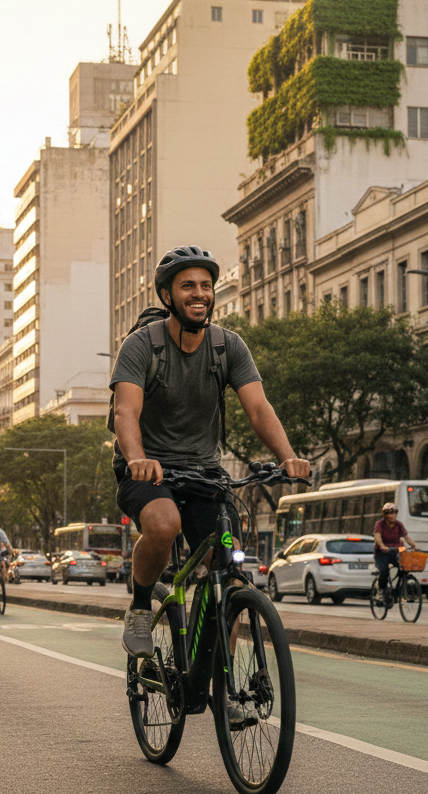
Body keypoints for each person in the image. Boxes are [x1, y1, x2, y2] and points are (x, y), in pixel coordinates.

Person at [110, 245, 311, 659]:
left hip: (204, 472)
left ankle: (220, 679)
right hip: (148, 470)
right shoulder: (141, 346)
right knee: (164, 524)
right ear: (167, 296)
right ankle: (141, 606)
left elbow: (258, 408)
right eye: (188, 286)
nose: (199, 293)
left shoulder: (228, 346)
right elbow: (125, 412)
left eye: (206, 285)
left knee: (230, 573)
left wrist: (287, 456)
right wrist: (137, 459)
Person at [373, 503, 419, 593]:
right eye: (388, 513)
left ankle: (400, 589)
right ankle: (381, 590)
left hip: (396, 551)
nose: (391, 516)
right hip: (382, 552)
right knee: (384, 571)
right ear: (385, 515)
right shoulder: (379, 524)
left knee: (405, 568)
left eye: (393, 513)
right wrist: (382, 546)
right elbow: (377, 537)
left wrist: (414, 546)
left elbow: (406, 537)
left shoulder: (399, 524)